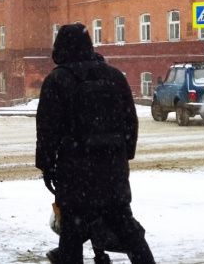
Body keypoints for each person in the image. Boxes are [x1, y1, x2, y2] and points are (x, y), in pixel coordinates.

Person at [36, 24, 155, 264]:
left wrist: (47, 166)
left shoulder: (57, 80)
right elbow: (130, 122)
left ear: (60, 48)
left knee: (71, 233)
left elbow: (47, 130)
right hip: (112, 170)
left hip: (74, 173)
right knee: (125, 226)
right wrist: (123, 155)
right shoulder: (114, 77)